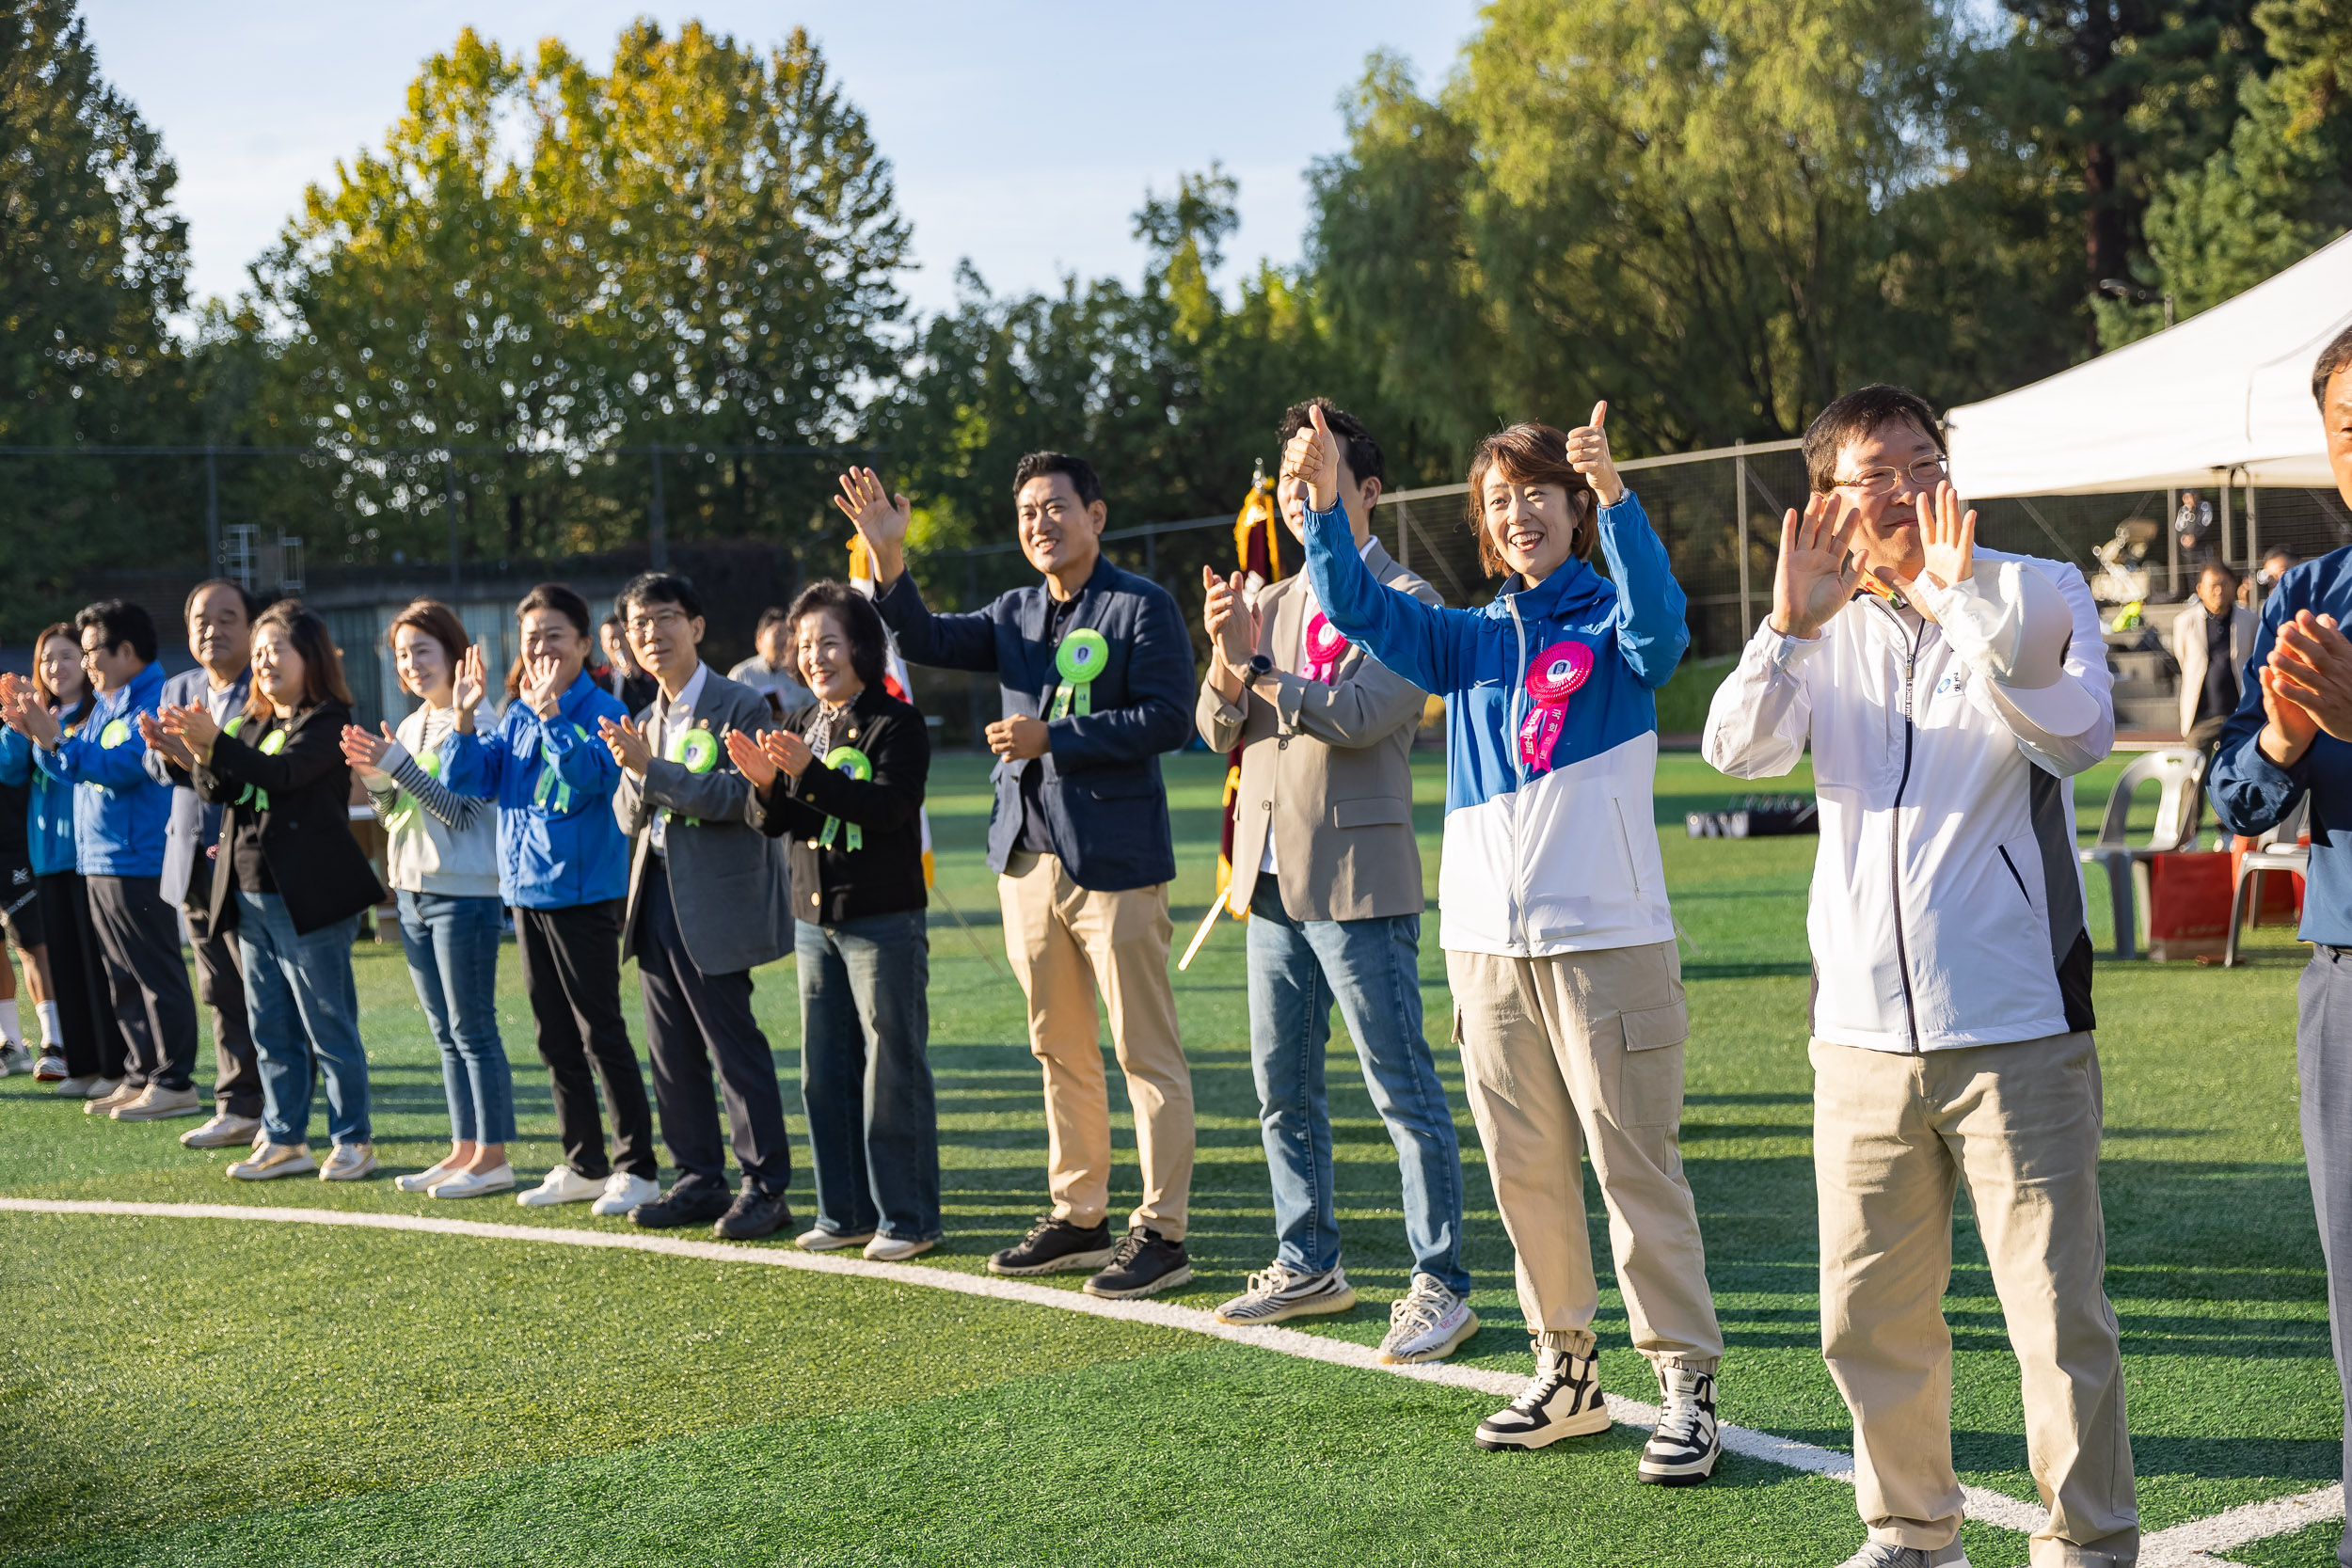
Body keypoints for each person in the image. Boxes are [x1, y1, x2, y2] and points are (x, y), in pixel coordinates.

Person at [1703, 384, 2129, 1568]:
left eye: (1917, 460)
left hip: (2018, 1019)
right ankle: (1909, 1529)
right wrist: (1788, 628)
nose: (1897, 487)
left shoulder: (2034, 586)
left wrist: (1955, 600)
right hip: (1856, 1036)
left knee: (2054, 1313)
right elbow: (1735, 749)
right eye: (1868, 472)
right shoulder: (1817, 618)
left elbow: (2077, 731)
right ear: (1826, 498)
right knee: (1865, 1314)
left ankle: (2086, 1541)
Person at [1299, 403, 1724, 1484]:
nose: (1517, 512)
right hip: (1487, 950)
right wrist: (1319, 506)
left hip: (1608, 942)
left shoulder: (1612, 621)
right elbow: (1353, 602)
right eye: (1498, 501)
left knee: (1635, 1169)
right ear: (1485, 531)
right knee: (1524, 1169)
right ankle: (1566, 1370)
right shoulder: (1470, 639)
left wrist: (1623, 501)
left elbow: (1664, 634)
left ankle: (1684, 1385)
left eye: (1537, 491)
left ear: (1574, 508)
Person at [837, 451, 1198, 1300]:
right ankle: (1080, 1216)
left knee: (1145, 1051)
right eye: (1029, 510)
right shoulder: (1014, 611)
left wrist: (1056, 741)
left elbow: (1169, 717)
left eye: (1057, 507)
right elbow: (922, 637)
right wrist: (888, 554)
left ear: (1096, 516)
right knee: (1058, 1048)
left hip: (1115, 865)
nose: (1041, 522)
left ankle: (1163, 1231)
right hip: (1026, 861)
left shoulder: (1141, 605)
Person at [1196, 399, 1475, 1365]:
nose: (1294, 491)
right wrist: (1228, 666)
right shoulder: (1265, 597)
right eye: (1287, 476)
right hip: (1267, 878)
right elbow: (1210, 730)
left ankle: (1440, 1280)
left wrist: (1260, 671)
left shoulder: (1411, 599)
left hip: (1359, 876)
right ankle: (1306, 1259)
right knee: (1282, 1087)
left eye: (1314, 475)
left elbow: (1359, 714)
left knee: (1400, 1087)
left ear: (1366, 491)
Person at [2207, 322, 2352, 1568]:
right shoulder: (2309, 597)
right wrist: (2289, 747)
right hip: (2342, 985)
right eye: (2349, 424)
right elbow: (2234, 799)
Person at [733, 581, 941, 1260]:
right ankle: (844, 1211)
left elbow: (889, 809)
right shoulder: (799, 725)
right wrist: (766, 785)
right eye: (804, 644)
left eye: (828, 640)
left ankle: (907, 1218)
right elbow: (778, 823)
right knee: (823, 1071)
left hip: (881, 917)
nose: (815, 655)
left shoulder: (896, 721)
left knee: (892, 1070)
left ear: (860, 644)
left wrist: (809, 775)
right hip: (812, 920)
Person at [154, 601, 388, 1180]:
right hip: (247, 894)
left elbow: (281, 779)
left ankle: (353, 1139)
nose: (263, 661)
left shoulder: (330, 721)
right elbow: (218, 790)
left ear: (310, 656)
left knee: (328, 1024)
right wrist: (187, 755)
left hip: (308, 898)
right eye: (258, 652)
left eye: (275, 649)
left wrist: (217, 744)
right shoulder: (251, 724)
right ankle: (284, 1138)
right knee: (269, 1026)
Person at [442, 583, 653, 1215]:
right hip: (526, 892)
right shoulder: (515, 711)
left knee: (600, 1032)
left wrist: (554, 717)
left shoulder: (600, 708)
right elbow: (472, 780)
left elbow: (590, 778)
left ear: (585, 644)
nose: (540, 647)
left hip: (584, 894)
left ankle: (635, 1166)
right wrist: (463, 716)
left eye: (554, 635)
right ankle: (584, 1161)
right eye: (531, 636)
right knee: (553, 1035)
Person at [598, 571, 797, 1241]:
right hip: (652, 892)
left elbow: (739, 798)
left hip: (713, 899)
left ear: (697, 626)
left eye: (664, 619)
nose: (650, 634)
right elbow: (628, 816)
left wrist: (651, 770)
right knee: (669, 1047)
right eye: (638, 625)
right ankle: (699, 1175)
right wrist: (635, 770)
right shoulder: (645, 717)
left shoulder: (740, 704)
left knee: (730, 1043)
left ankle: (765, 1184)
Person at [0, 600, 201, 1122]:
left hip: (140, 858)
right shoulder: (109, 702)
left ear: (127, 651)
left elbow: (119, 767)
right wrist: (39, 734)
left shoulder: (154, 699)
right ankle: (137, 1073)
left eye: (90, 651)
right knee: (121, 975)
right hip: (98, 859)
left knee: (155, 973)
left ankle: (174, 1079)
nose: (86, 664)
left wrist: (52, 737)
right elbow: (69, 766)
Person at [342, 599, 515, 1199]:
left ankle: (492, 1156)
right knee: (445, 1032)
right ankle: (464, 1150)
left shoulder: (482, 722)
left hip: (464, 893)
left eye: (422, 650)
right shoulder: (412, 724)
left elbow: (464, 813)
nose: (411, 664)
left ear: (454, 654)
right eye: (401, 655)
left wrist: (397, 764)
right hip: (413, 891)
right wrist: (377, 777)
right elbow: (394, 817)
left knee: (473, 1028)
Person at [144, 579, 263, 1149]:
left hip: (248, 858)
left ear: (252, 626)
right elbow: (155, 766)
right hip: (191, 858)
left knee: (264, 987)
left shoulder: (266, 690)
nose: (211, 628)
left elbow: (254, 771)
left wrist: (199, 755)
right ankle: (236, 1103)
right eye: (200, 618)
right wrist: (170, 756)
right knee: (217, 987)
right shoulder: (179, 686)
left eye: (225, 617)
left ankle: (282, 1102)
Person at [0, 626, 128, 1096]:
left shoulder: (103, 713)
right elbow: (7, 768)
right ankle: (84, 1066)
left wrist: (53, 733)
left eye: (68, 656)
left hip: (93, 853)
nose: (57, 667)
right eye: (48, 658)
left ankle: (118, 1067)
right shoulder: (36, 714)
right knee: (69, 965)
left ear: (88, 661)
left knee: (100, 965)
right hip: (47, 856)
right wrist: (20, 727)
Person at [2173, 561, 2257, 755]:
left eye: (2224, 584)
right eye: (2213, 586)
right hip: (2200, 717)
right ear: (2200, 590)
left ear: (2233, 586)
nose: (2219, 591)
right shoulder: (2184, 622)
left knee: (2241, 773)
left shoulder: (2251, 620)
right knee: (2193, 776)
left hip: (2239, 714)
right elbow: (2183, 658)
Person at [0, 764, 49, 1078]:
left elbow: (11, 763)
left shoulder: (10, 720)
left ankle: (55, 1042)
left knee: (31, 946)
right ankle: (11, 1043)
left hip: (13, 847)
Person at [728, 606, 816, 714]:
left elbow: (814, 716)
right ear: (760, 637)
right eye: (778, 633)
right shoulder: (741, 675)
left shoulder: (802, 675)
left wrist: (789, 721)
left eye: (788, 634)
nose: (785, 639)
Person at [599, 611, 658, 715]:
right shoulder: (598, 678)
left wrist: (639, 678)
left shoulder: (651, 670)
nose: (618, 645)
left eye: (622, 637)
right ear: (603, 644)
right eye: (612, 639)